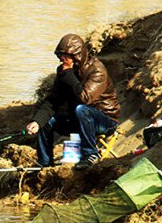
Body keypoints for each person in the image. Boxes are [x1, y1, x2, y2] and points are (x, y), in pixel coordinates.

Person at [26, 34, 120, 170]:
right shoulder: (64, 72)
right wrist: (37, 121)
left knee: (81, 109)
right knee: (47, 121)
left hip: (105, 120)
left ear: (77, 56)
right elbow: (53, 100)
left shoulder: (97, 70)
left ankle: (91, 155)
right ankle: (44, 162)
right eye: (60, 57)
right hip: (79, 119)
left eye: (65, 57)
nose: (61, 61)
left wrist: (69, 74)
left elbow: (85, 98)